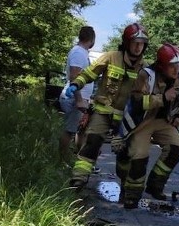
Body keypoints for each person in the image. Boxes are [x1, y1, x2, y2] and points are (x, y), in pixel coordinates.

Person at [64, 22, 150, 189]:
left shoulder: (145, 68)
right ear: (127, 42)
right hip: (103, 112)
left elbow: (146, 95)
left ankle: (125, 183)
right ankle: (78, 180)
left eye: (142, 44)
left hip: (126, 118)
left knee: (126, 153)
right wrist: (76, 84)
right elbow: (89, 74)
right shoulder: (110, 57)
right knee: (92, 143)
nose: (138, 47)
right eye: (135, 43)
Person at [118, 43, 179, 209]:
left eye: (178, 65)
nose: (176, 69)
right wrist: (162, 98)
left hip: (164, 121)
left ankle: (155, 186)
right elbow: (135, 102)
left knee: (175, 148)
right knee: (140, 155)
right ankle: (131, 195)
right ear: (161, 65)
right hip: (142, 122)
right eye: (172, 66)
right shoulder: (146, 75)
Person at [58, 26, 96, 165]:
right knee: (70, 131)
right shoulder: (78, 53)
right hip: (74, 99)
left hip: (79, 98)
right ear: (92, 39)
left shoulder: (82, 52)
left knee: (80, 131)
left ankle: (78, 160)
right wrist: (80, 100)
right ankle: (63, 162)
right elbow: (75, 76)